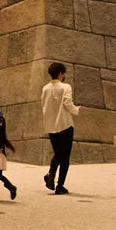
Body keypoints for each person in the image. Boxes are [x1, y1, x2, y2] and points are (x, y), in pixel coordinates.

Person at [39, 62, 76, 194]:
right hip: (64, 124)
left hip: (50, 125)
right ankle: (59, 184)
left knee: (58, 153)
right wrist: (76, 110)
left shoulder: (45, 88)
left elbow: (43, 105)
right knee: (64, 157)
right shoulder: (66, 87)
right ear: (60, 73)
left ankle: (51, 175)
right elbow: (67, 103)